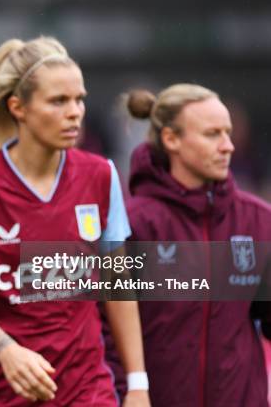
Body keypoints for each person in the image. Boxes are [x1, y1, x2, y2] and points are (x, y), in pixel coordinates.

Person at [0, 36, 150, 407]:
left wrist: (138, 384)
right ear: (18, 108)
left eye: (80, 99)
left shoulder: (101, 175)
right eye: (59, 101)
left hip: (89, 389)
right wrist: (8, 352)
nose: (75, 112)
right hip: (4, 390)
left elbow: (119, 285)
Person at [107, 84, 271, 406]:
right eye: (213, 134)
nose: (228, 146)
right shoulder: (129, 226)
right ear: (171, 139)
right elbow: (106, 333)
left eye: (228, 133)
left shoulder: (259, 221)